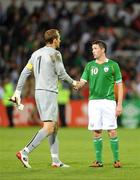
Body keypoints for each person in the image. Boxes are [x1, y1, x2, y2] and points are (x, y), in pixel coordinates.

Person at [11, 29, 78, 168]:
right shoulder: (55, 53)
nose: (60, 41)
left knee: (54, 127)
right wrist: (74, 83)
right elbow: (62, 74)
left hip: (39, 92)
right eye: (58, 38)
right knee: (48, 127)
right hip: (48, 92)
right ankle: (24, 152)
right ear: (54, 40)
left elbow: (25, 72)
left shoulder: (36, 54)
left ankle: (55, 161)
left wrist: (18, 91)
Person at [76, 40, 123, 168]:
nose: (93, 51)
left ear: (103, 50)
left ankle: (117, 160)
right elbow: (82, 81)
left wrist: (119, 104)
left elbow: (120, 86)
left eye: (95, 48)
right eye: (92, 49)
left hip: (109, 102)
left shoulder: (113, 65)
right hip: (94, 102)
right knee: (96, 131)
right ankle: (98, 161)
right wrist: (77, 85)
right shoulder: (89, 66)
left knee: (112, 131)